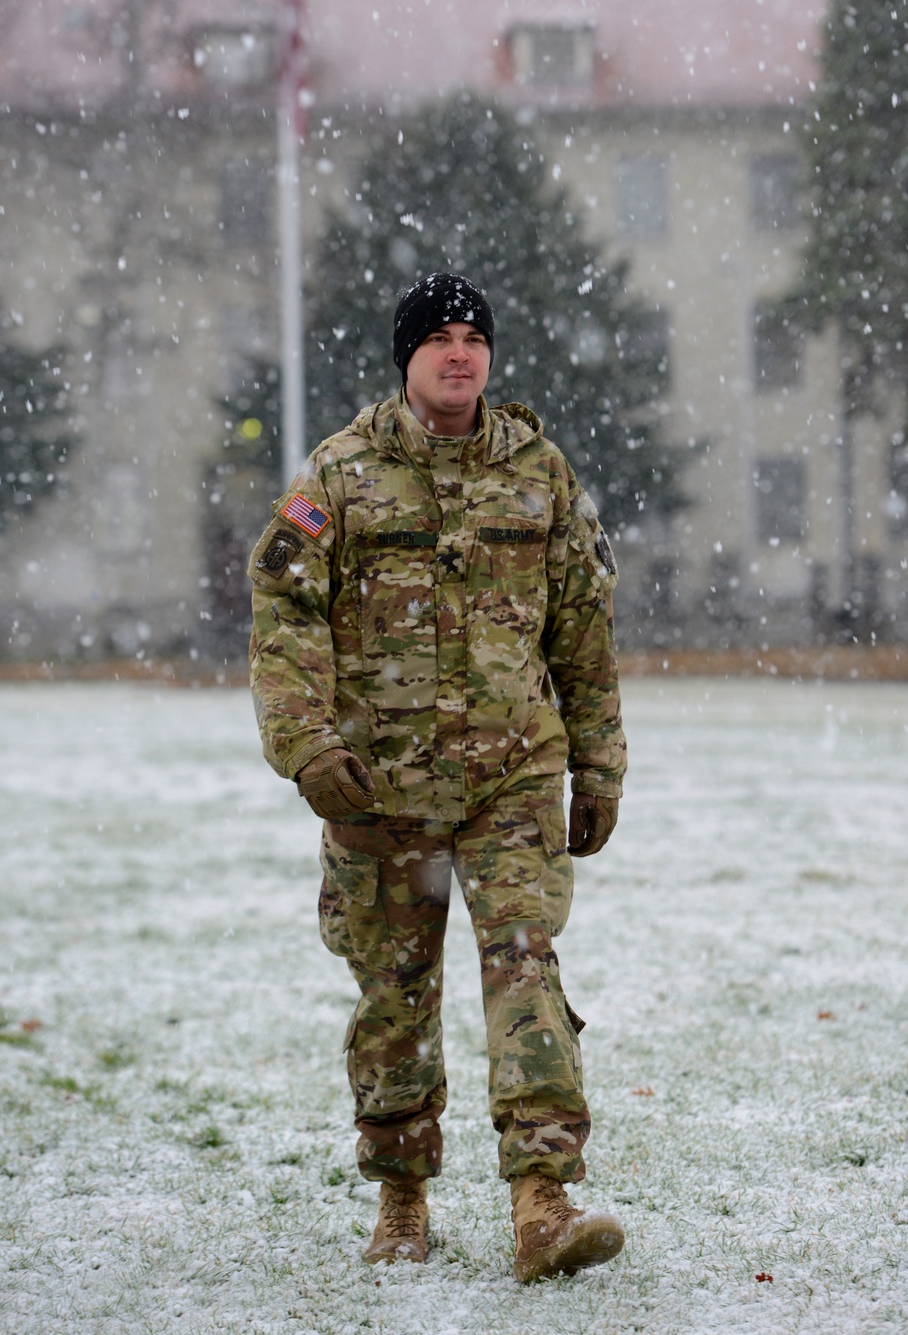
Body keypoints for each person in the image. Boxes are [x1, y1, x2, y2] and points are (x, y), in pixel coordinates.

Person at [247, 272, 627, 1282]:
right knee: (394, 996)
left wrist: (598, 766)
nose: (458, 353)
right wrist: (309, 748)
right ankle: (402, 1199)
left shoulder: (539, 474)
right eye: (438, 338)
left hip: (511, 782)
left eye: (473, 338)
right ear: (406, 358)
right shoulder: (340, 473)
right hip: (380, 794)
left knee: (526, 976)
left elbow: (582, 633)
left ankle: (542, 1201)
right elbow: (284, 619)